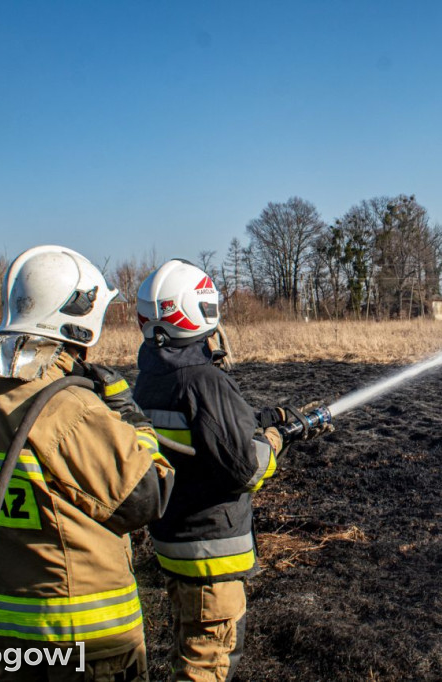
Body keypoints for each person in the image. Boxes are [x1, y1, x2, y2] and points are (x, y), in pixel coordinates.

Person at [0, 245, 175, 681]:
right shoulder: (66, 407)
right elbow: (149, 493)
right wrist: (127, 416)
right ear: (80, 316)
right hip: (79, 642)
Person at [132, 259, 329, 682]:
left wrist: (259, 418)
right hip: (210, 555)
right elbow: (247, 466)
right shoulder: (203, 379)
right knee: (208, 662)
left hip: (174, 542)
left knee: (187, 648)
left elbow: (198, 434)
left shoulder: (152, 376)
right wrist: (277, 439)